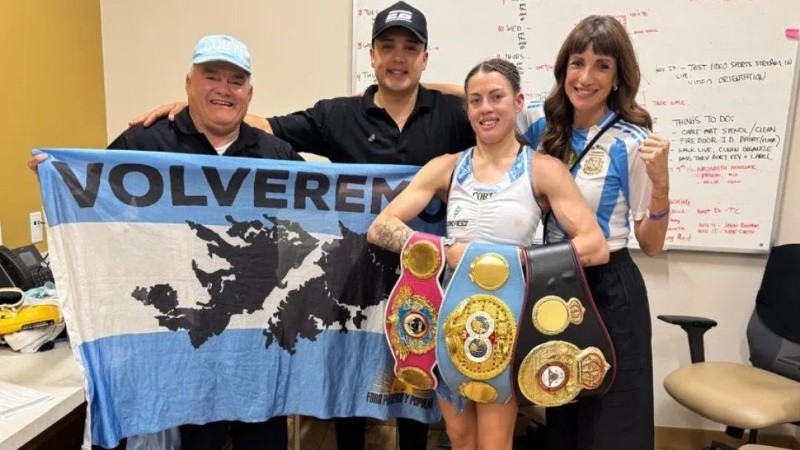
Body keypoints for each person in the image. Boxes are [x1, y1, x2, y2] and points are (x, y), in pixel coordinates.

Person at [127, 3, 474, 449]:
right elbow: (263, 124)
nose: (398, 58)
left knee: (416, 386)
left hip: (426, 277)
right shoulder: (336, 115)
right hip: (355, 277)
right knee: (351, 383)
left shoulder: (453, 115)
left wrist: (449, 91)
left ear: (425, 57)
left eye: (411, 48)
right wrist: (192, 106)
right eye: (387, 47)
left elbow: (499, 117)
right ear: (371, 55)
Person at [30, 34, 302, 450]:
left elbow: (324, 212)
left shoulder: (276, 154)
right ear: (189, 83)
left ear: (249, 93)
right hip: (181, 344)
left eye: (235, 80)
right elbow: (98, 206)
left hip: (256, 347)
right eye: (212, 76)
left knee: (261, 441)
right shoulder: (144, 144)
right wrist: (59, 180)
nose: (224, 89)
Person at [367, 58, 610, 450]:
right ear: (467, 110)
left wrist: (509, 263)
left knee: (494, 443)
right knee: (460, 437)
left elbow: (595, 246)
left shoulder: (542, 169)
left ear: (517, 102)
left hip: (509, 323)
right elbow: (381, 227)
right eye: (476, 100)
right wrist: (445, 251)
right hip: (450, 322)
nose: (486, 108)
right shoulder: (447, 167)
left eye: (496, 97)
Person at [516, 15, 671, 450]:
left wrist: (660, 183)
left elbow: (652, 245)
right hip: (550, 282)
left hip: (609, 287)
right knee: (560, 402)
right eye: (577, 63)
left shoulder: (632, 141)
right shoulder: (537, 125)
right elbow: (487, 98)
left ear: (619, 76)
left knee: (613, 419)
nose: (586, 77)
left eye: (602, 65)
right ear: (563, 67)